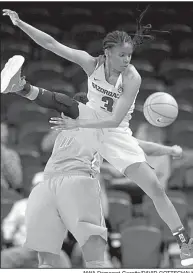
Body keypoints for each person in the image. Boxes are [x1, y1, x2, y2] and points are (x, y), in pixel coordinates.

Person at [2, 8, 193, 266]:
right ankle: (21, 86)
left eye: (130, 55)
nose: (127, 60)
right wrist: (20, 23)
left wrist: (77, 125)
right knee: (66, 102)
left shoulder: (132, 77)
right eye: (122, 55)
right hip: (90, 117)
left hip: (115, 131)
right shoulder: (90, 63)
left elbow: (114, 121)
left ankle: (183, 241)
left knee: (155, 188)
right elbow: (51, 43)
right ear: (107, 54)